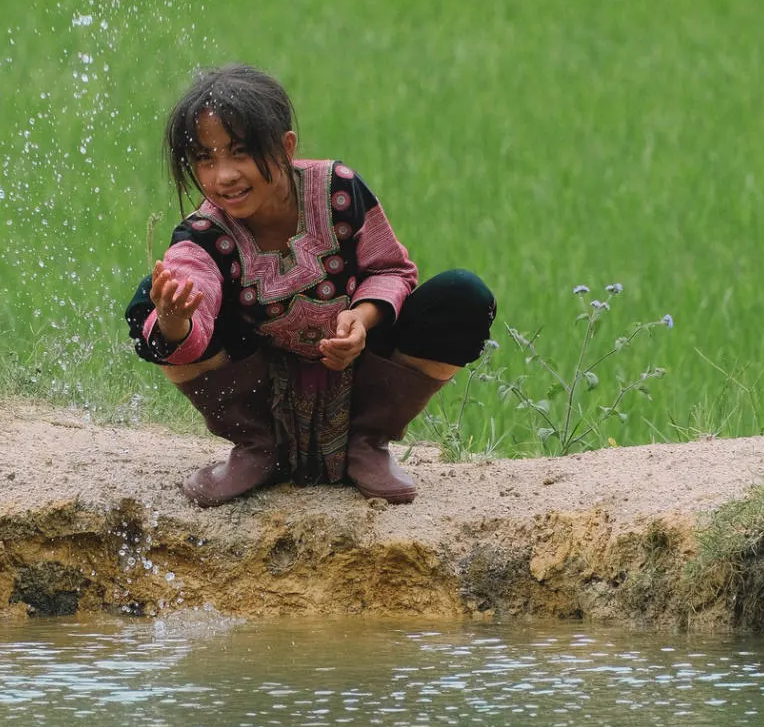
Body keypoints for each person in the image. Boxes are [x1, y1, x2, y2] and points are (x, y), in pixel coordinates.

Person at [125, 64, 495, 507]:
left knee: (463, 298)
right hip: (261, 384)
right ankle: (255, 445)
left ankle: (368, 441)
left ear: (285, 148)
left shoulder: (339, 189)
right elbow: (192, 289)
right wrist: (173, 321)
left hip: (361, 370)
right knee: (149, 305)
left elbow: (392, 270)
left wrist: (361, 318)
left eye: (240, 153)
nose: (223, 176)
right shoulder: (202, 233)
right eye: (206, 159)